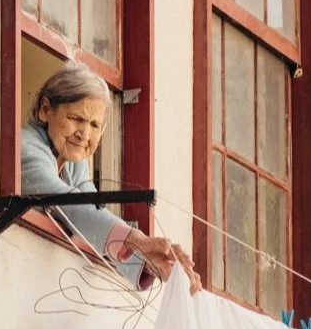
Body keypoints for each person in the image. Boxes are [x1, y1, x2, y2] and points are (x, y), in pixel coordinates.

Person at [21, 63, 200, 291]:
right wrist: (137, 240)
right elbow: (69, 204)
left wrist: (145, 261)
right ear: (45, 110)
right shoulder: (25, 147)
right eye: (76, 118)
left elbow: (91, 213)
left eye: (94, 125)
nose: (84, 134)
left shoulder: (74, 164)